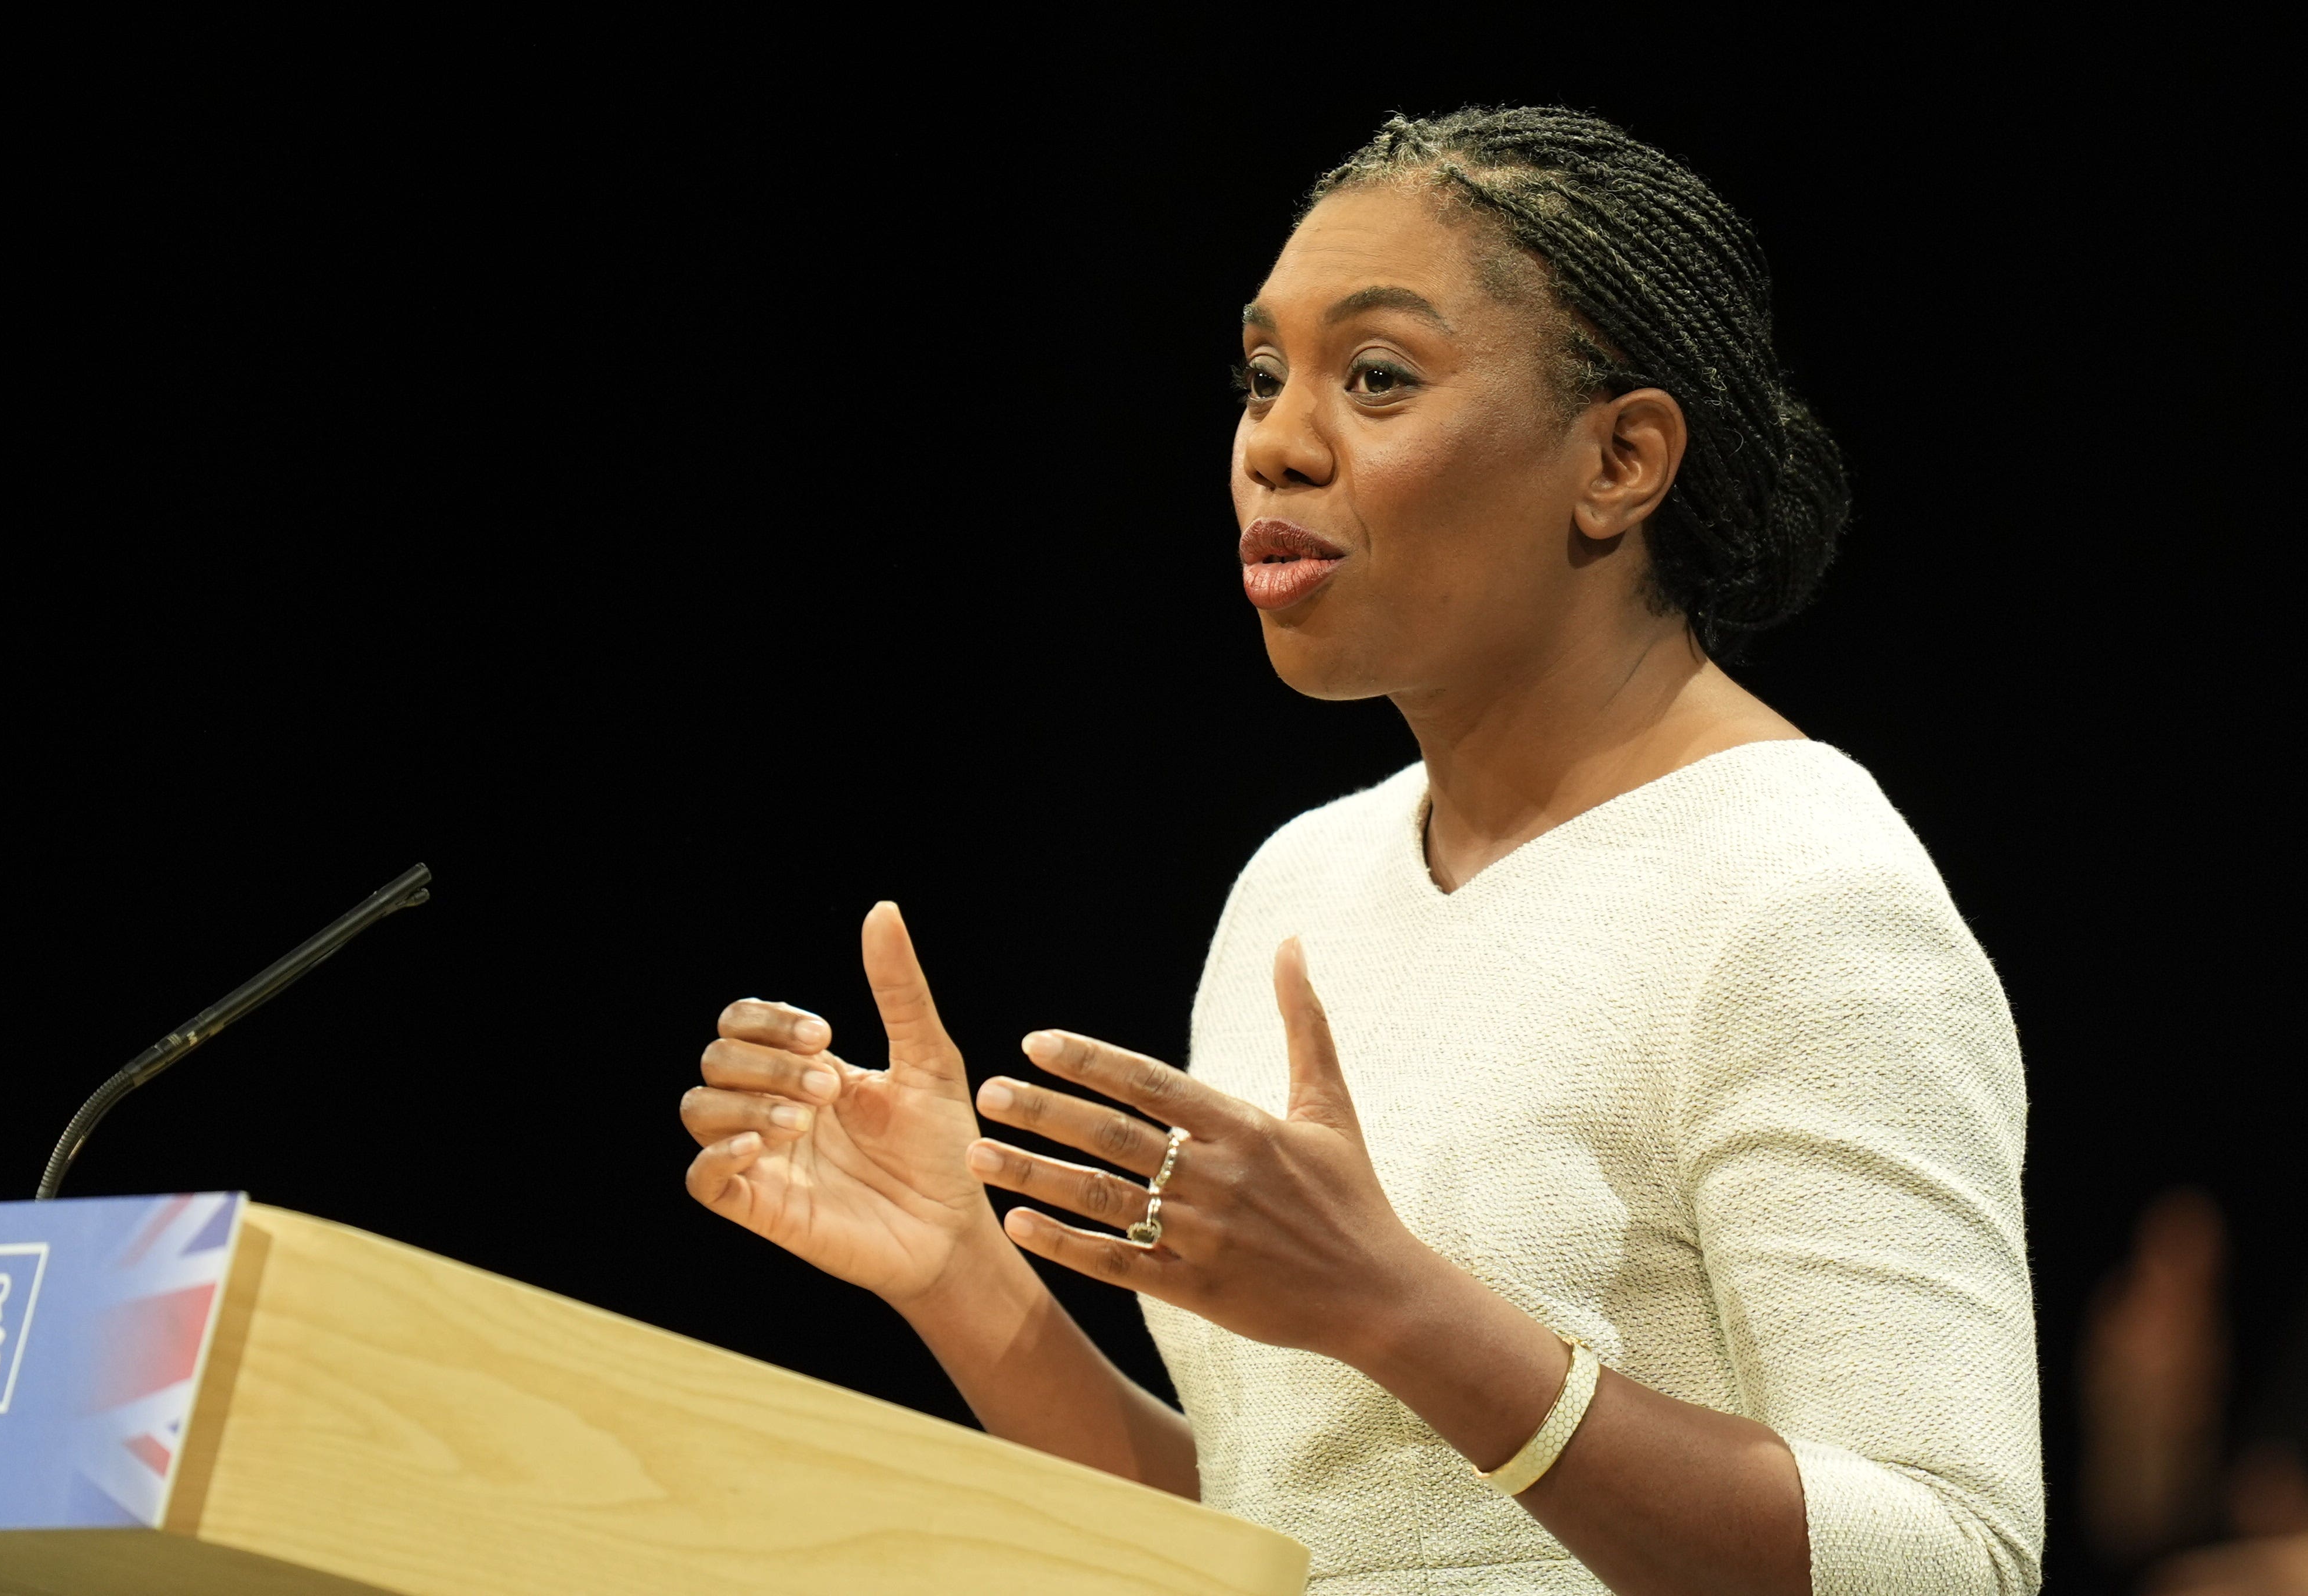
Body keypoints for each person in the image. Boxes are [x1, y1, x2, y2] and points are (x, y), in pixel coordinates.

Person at [679, 106, 2041, 1596]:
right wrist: (958, 1267)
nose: (1276, 441)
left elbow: (1954, 1560)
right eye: (1263, 376)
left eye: (1378, 376)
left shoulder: (1801, 896)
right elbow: (1308, 1535)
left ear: (1621, 459)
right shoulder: (1302, 884)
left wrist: (1402, 1310)